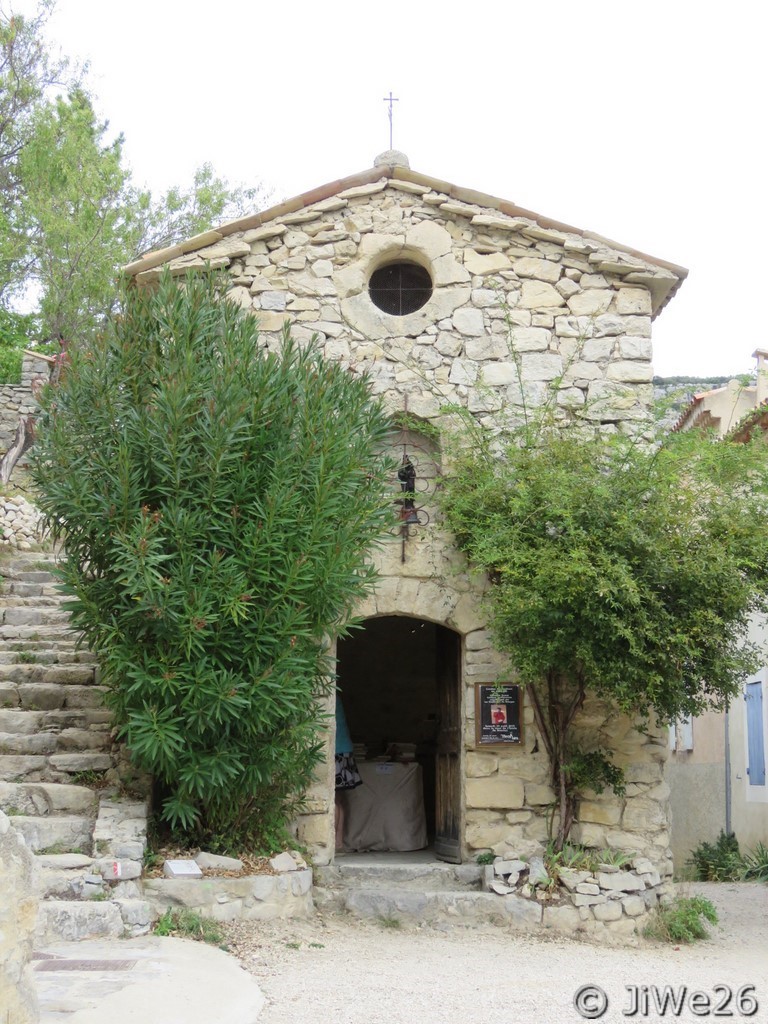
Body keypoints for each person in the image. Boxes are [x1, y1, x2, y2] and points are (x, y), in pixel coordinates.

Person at [334, 692, 361, 852]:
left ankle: (332, 841)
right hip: (345, 751)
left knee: (333, 801)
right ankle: (339, 842)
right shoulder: (337, 698)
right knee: (339, 800)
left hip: (335, 751)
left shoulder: (331, 697)